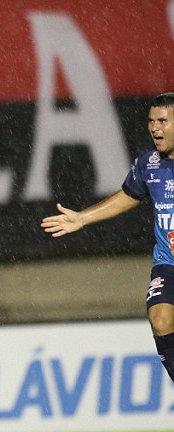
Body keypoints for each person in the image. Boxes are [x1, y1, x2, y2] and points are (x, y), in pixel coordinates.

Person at [41, 92, 174, 384]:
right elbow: (128, 195)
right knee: (160, 319)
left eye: (162, 121)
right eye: (151, 121)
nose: (154, 128)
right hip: (169, 263)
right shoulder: (149, 164)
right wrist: (83, 217)